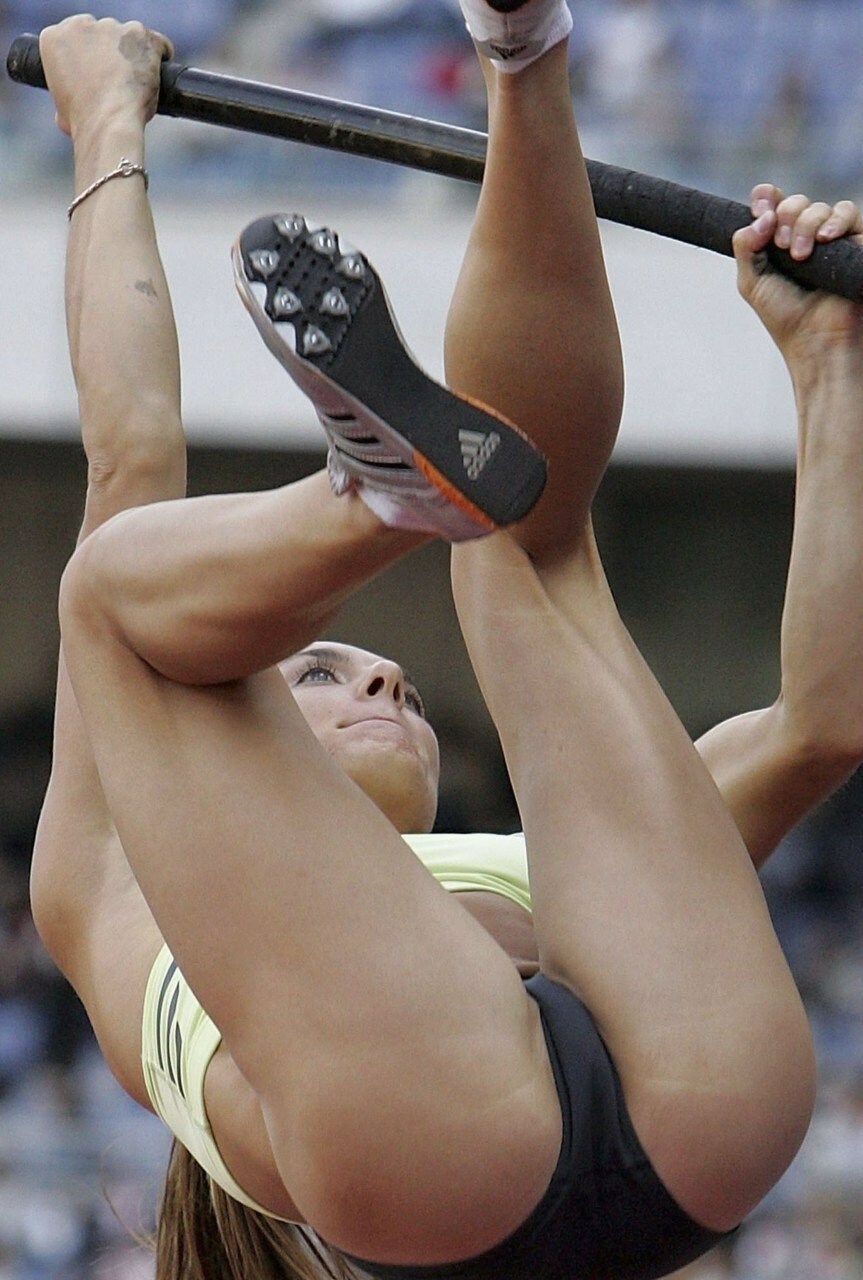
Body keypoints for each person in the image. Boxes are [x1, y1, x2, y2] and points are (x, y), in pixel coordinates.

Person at [28, 5, 863, 1280]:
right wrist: (101, 126)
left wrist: (826, 370)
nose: (379, 673)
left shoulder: (543, 870)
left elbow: (823, 724)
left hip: (690, 1104)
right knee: (113, 601)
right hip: (483, 1150)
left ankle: (522, 48)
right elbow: (127, 468)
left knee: (525, 550)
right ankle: (373, 499)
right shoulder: (112, 881)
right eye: (318, 668)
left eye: (391, 683)